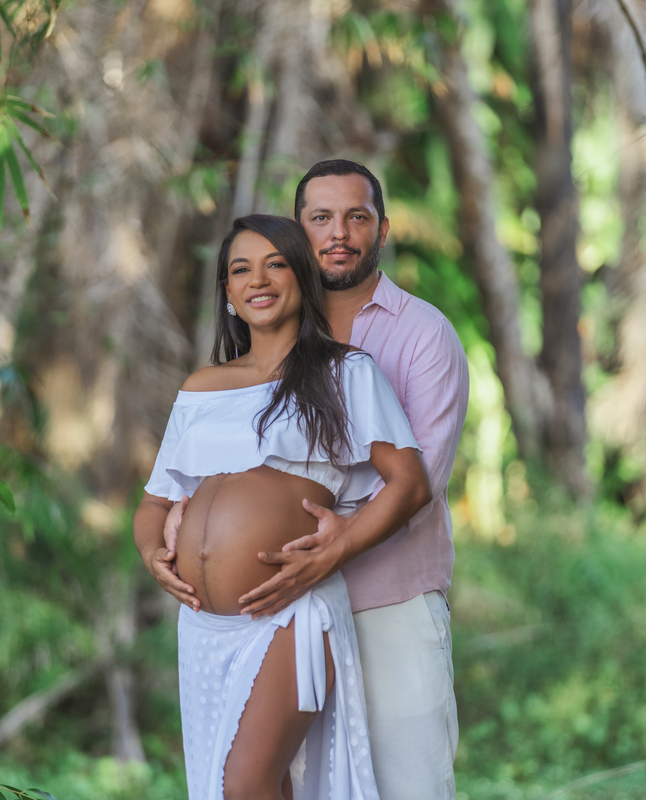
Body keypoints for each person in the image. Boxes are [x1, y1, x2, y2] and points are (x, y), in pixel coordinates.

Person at [164, 161, 469, 799]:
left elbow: (419, 483)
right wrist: (190, 515)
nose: (339, 234)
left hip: (385, 600)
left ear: (382, 229)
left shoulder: (421, 335)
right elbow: (231, 459)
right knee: (287, 784)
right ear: (300, 235)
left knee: (405, 782)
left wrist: (315, 537)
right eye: (320, 219)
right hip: (276, 611)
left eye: (356, 218)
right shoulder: (269, 336)